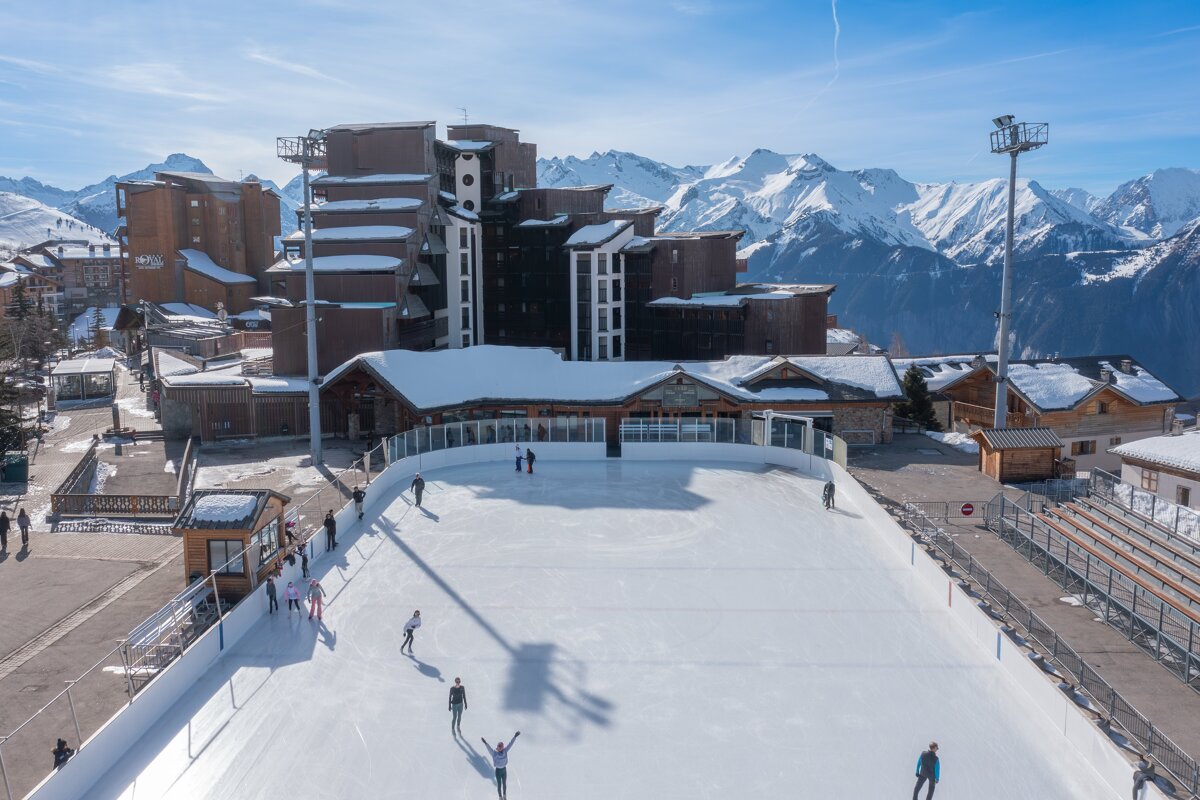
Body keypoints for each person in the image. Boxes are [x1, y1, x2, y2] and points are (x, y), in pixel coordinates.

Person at [481, 732, 520, 799]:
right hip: (498, 771)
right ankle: (500, 797)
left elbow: (510, 744)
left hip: (504, 770)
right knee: (499, 785)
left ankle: (504, 795)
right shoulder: (494, 754)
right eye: (499, 747)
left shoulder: (505, 751)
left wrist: (515, 736)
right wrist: (485, 743)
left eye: (501, 746)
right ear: (498, 748)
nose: (500, 748)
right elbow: (489, 748)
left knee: (504, 783)